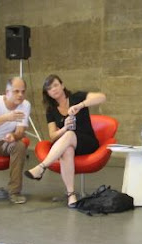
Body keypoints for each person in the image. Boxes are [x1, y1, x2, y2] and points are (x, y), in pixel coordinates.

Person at [24, 74, 107, 207]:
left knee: (69, 135)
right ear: (48, 93)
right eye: (50, 88)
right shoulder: (51, 110)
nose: (54, 89)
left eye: (56, 85)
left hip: (87, 142)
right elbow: (53, 136)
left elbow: (102, 97)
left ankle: (41, 167)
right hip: (68, 143)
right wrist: (64, 128)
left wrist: (81, 105)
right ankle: (71, 195)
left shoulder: (77, 97)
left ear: (62, 85)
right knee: (66, 149)